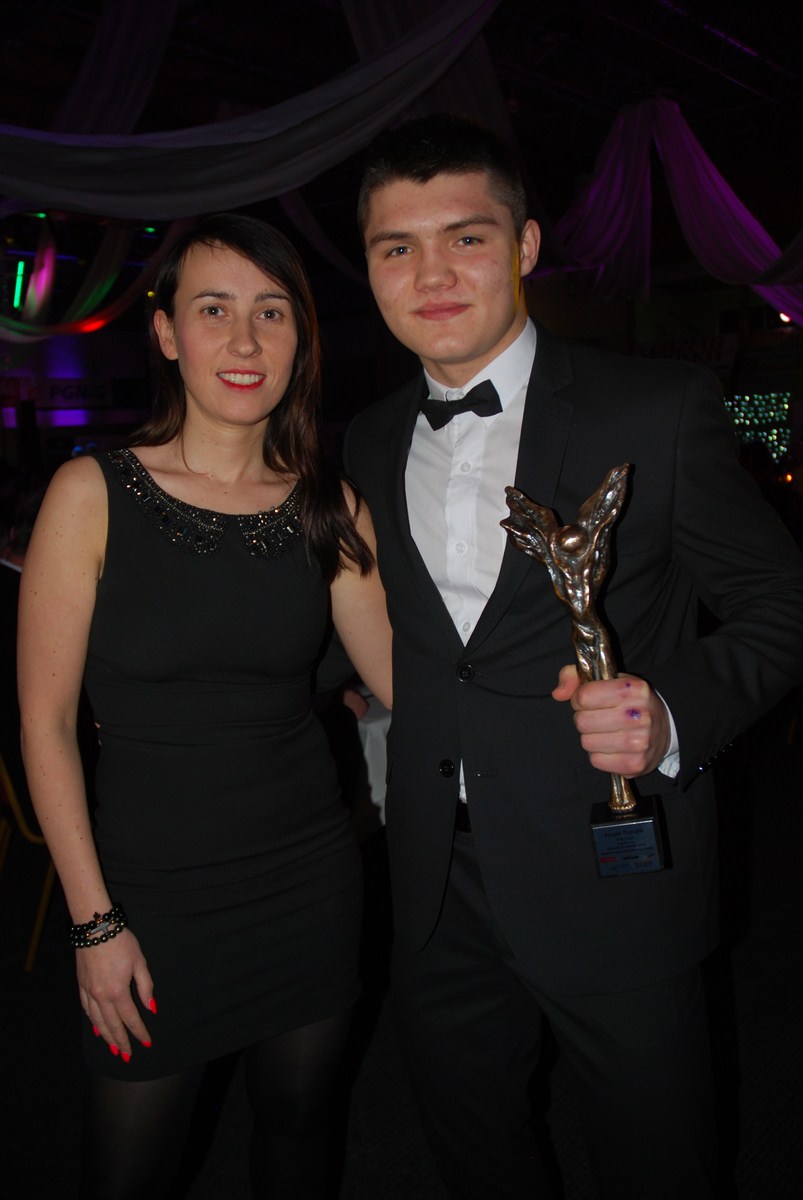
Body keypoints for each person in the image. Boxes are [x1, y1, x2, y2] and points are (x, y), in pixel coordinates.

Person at [343, 113, 803, 1199]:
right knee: (474, 1154)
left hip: (611, 864)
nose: (431, 274)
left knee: (658, 1160)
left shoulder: (653, 408)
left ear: (525, 245)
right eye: (397, 247)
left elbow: (779, 600)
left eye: (465, 236)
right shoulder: (364, 438)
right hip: (435, 880)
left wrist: (672, 712)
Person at [17, 214, 392, 1200]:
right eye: (213, 309)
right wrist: (94, 926)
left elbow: (410, 684)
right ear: (166, 332)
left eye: (271, 312)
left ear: (299, 337)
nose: (244, 339)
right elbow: (46, 728)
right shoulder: (90, 494)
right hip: (149, 899)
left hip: (307, 885)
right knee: (127, 1175)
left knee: (301, 1130)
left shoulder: (329, 505)